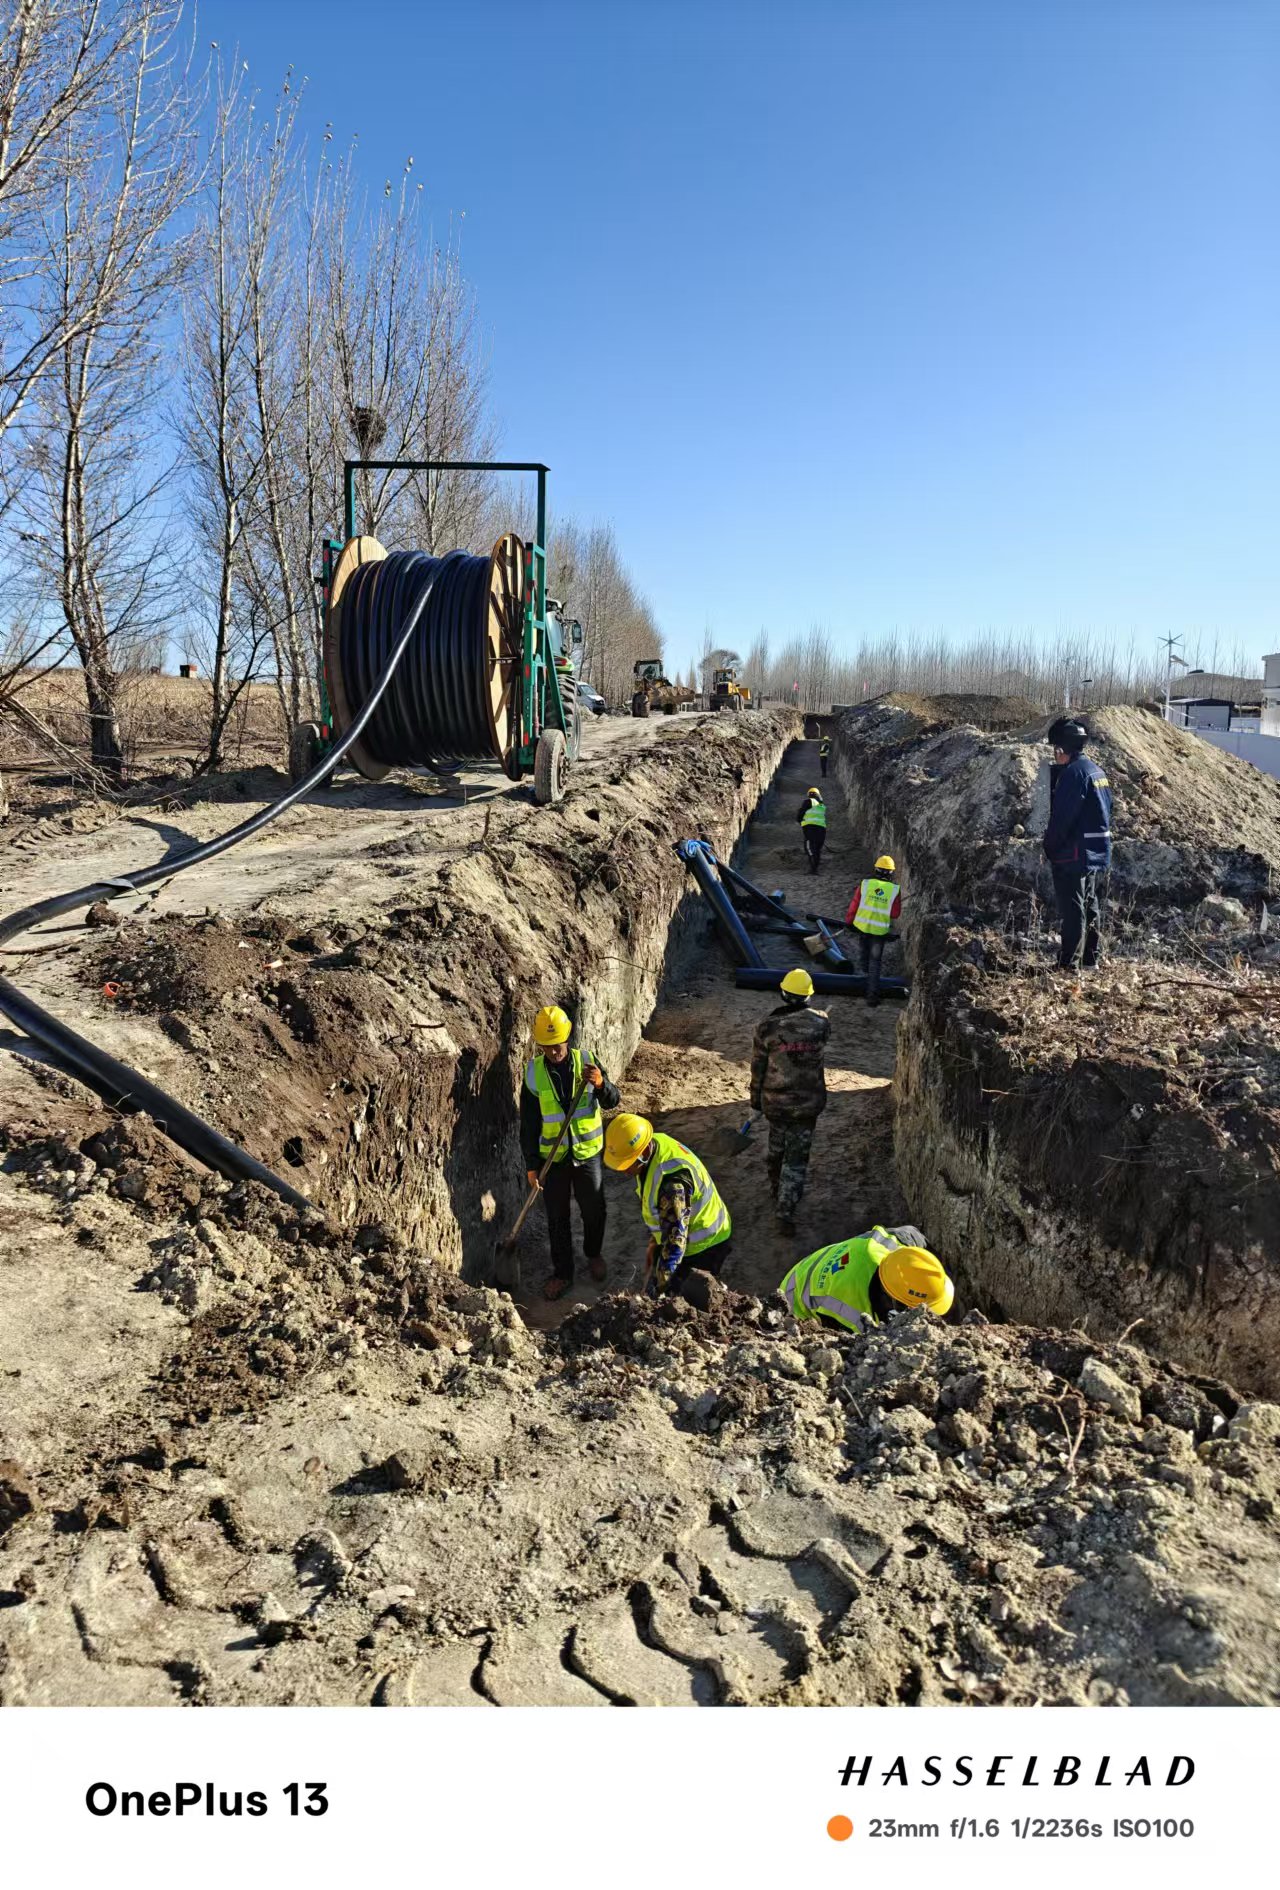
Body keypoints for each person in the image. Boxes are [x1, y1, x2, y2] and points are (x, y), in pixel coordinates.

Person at [521, 1004, 620, 1301]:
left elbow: (613, 1100)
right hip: (554, 1159)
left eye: (558, 1044)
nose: (554, 1051)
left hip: (587, 1154)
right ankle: (563, 1272)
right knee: (557, 1217)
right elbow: (528, 1124)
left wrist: (601, 1084)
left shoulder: (588, 1062)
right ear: (540, 1045)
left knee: (594, 1210)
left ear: (568, 1037)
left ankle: (593, 1254)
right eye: (548, 1046)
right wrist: (532, 1166)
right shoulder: (534, 1074)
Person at [603, 1113, 732, 1299]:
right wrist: (655, 1241)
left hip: (704, 1244)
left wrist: (657, 1290)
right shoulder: (655, 1143)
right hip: (685, 1230)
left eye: (627, 1164)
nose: (623, 1170)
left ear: (645, 1152)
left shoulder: (672, 1185)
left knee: (686, 1298)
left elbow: (674, 1246)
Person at [750, 966, 830, 1236]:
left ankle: (776, 1187)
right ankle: (786, 1209)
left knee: (777, 1148)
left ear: (783, 993)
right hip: (808, 1102)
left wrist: (755, 1100)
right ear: (808, 996)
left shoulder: (766, 1027)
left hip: (776, 1102)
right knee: (797, 1158)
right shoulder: (821, 1023)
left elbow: (758, 1067)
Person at [778, 1225, 954, 1333]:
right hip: (792, 1298)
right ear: (896, 1305)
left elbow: (913, 1233)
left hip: (814, 1263)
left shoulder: (890, 1248)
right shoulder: (853, 1314)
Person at [1043, 717, 1112, 971]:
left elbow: (1062, 818)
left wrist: (1050, 847)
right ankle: (1089, 960)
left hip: (1074, 853)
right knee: (1090, 905)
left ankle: (1068, 965)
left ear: (1061, 749)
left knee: (1073, 910)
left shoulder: (1073, 775)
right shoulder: (1096, 771)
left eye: (1055, 750)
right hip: (1096, 850)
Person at [845, 853, 901, 1006]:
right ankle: (872, 996)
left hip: (863, 927)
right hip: (879, 932)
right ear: (891, 873)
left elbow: (854, 905)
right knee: (875, 962)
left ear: (876, 869)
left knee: (863, 955)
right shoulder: (894, 890)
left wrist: (849, 921)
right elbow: (895, 913)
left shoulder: (865, 884)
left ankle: (864, 978)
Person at [797, 787, 827, 875]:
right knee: (817, 850)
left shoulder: (808, 801)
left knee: (809, 848)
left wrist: (799, 820)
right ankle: (815, 869)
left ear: (809, 794)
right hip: (821, 829)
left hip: (810, 829)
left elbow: (801, 813)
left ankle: (813, 870)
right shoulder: (821, 805)